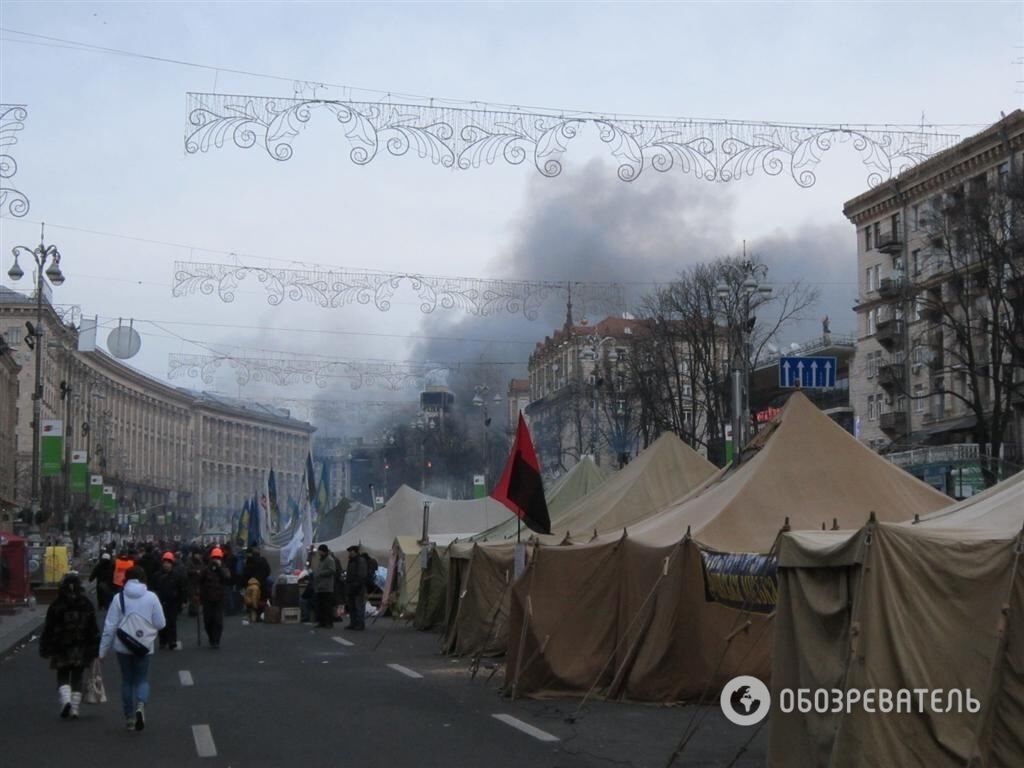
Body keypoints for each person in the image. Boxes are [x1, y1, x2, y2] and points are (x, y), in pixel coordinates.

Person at [99, 566, 166, 732]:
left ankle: (129, 718)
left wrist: (102, 650)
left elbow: (110, 626)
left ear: (126, 578)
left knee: (127, 681)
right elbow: (161, 623)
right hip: (144, 646)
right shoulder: (151, 597)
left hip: (123, 645)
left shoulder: (118, 598)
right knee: (142, 679)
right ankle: (141, 705)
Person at [39, 573, 100, 719]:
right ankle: (75, 708)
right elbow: (93, 628)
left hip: (61, 644)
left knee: (62, 674)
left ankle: (65, 700)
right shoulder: (86, 603)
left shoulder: (57, 604)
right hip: (81, 644)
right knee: (77, 676)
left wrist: (46, 645)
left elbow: (49, 627)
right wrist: (95, 647)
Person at [199, 547, 233, 648]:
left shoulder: (224, 569)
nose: (216, 560)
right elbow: (199, 581)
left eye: (218, 558)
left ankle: (216, 641)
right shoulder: (205, 570)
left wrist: (219, 569)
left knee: (218, 621)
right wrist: (198, 594)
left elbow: (227, 578)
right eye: (214, 558)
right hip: (207, 599)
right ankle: (211, 638)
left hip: (219, 599)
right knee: (208, 621)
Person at [154, 552, 186, 651]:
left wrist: (183, 601)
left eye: (168, 562)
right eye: (165, 562)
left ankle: (172, 641)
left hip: (173, 602)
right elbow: (153, 588)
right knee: (161, 623)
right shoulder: (157, 575)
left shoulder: (177, 576)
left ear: (172, 564)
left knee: (172, 622)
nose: (166, 564)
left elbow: (182, 589)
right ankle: (163, 641)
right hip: (160, 602)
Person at [344, 545, 367, 631]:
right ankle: (353, 623)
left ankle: (360, 624)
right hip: (351, 587)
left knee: (359, 607)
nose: (350, 553)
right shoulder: (351, 561)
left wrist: (357, 585)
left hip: (358, 587)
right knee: (351, 607)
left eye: (351, 551)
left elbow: (362, 575)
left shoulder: (360, 561)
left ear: (355, 552)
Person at [313, 544, 337, 628]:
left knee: (327, 606)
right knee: (321, 605)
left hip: (327, 586)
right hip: (320, 586)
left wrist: (321, 573)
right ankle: (322, 622)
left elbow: (332, 570)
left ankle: (329, 623)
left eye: (320, 551)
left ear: (324, 551)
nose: (319, 552)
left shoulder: (330, 559)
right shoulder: (321, 560)